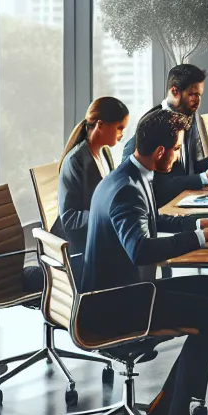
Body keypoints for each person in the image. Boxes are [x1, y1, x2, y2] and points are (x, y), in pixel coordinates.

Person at [84, 108, 208, 415]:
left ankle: (172, 399)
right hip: (114, 305)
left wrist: (200, 226)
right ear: (160, 152)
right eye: (175, 150)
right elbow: (141, 250)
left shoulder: (127, 176)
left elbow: (154, 220)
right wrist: (201, 240)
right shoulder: (127, 189)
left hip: (120, 293)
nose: (177, 156)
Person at [125, 63, 208, 200]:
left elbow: (187, 169)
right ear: (175, 91)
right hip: (167, 206)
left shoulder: (186, 115)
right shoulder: (155, 123)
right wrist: (204, 178)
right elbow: (157, 185)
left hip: (186, 197)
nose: (197, 101)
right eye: (193, 95)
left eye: (200, 95)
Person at [53, 96, 129, 280]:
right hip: (80, 247)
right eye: (119, 128)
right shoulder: (75, 161)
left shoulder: (105, 153)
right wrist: (107, 215)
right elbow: (69, 219)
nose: (122, 135)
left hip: (100, 237)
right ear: (100, 125)